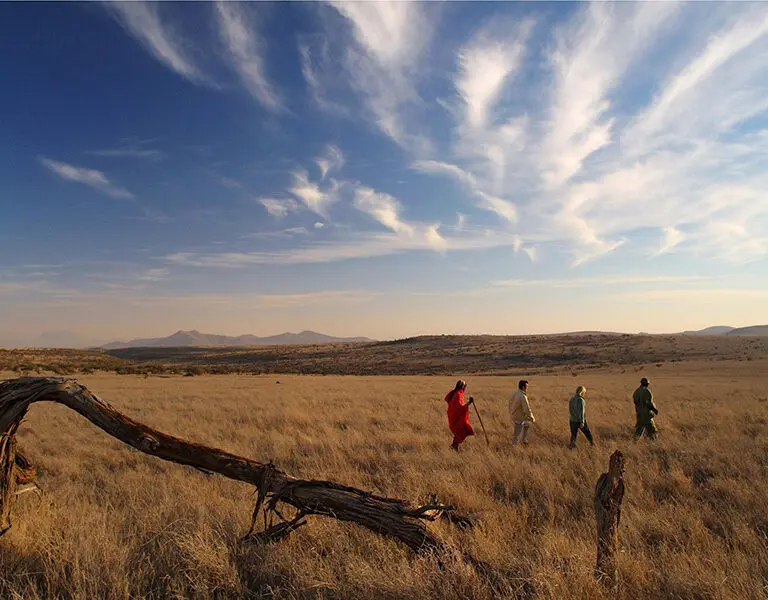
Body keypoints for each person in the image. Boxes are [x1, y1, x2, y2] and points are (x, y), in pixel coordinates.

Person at [445, 379, 474, 451]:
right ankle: (454, 446)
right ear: (462, 387)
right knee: (462, 430)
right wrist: (469, 403)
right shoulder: (458, 394)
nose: (465, 388)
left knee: (461, 431)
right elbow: (460, 407)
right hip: (455, 417)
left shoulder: (457, 393)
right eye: (464, 386)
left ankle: (454, 446)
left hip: (454, 416)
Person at [509, 379, 535, 445]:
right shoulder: (523, 396)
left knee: (527, 425)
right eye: (526, 387)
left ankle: (524, 441)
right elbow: (527, 409)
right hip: (519, 417)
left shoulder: (514, 394)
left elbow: (510, 404)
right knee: (517, 433)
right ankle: (514, 446)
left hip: (514, 415)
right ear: (523, 387)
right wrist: (532, 417)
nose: (527, 388)